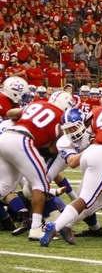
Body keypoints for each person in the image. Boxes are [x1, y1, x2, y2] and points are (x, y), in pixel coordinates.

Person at [40, 87, 102, 246]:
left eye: (75, 126)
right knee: (97, 198)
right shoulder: (64, 141)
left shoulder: (92, 129)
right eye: (68, 128)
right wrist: (91, 149)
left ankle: (62, 225)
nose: (72, 131)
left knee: (92, 201)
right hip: (96, 163)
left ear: (83, 123)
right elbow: (72, 162)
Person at [2, 90, 74, 238]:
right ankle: (35, 228)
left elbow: (10, 113)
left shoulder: (36, 104)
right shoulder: (62, 119)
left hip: (4, 137)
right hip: (22, 141)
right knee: (40, 185)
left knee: (3, 189)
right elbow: (53, 149)